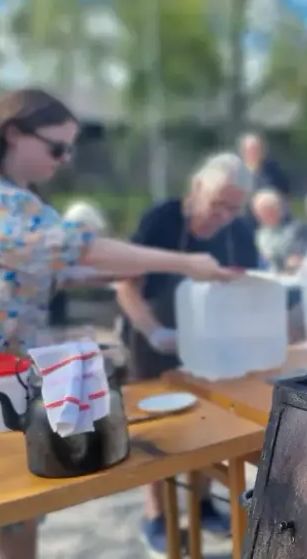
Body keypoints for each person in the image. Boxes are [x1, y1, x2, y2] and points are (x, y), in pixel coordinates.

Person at [0, 88, 237, 559]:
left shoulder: (20, 198)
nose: (64, 159)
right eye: (56, 147)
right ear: (12, 133)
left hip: (11, 373)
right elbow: (70, 247)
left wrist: (117, 271)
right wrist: (184, 263)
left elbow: (49, 267)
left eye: (70, 149)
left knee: (16, 503)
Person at [113, 152, 260, 555]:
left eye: (234, 207)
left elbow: (251, 289)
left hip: (208, 344)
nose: (224, 215)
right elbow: (127, 287)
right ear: (197, 189)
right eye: (218, 204)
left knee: (207, 424)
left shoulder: (239, 232)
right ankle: (157, 516)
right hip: (152, 337)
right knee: (156, 431)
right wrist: (154, 330)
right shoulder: (161, 219)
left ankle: (199, 504)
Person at [251, 187, 307, 272]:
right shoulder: (260, 233)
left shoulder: (299, 229)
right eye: (258, 212)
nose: (260, 216)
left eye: (266, 211)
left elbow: (298, 259)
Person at [239, 132, 291, 197]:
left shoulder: (275, 174)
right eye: (250, 150)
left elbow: (285, 197)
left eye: (257, 150)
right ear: (243, 152)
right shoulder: (237, 174)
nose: (254, 153)